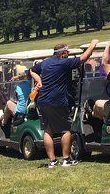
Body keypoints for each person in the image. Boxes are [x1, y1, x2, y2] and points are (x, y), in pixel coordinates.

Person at [32, 40, 98, 168]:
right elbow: (83, 58)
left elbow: (32, 71)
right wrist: (93, 44)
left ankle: (52, 161)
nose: (67, 55)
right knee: (65, 129)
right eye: (66, 53)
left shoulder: (45, 63)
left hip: (43, 101)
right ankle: (66, 159)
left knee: (48, 130)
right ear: (62, 54)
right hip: (58, 101)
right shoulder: (64, 62)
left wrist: (39, 81)